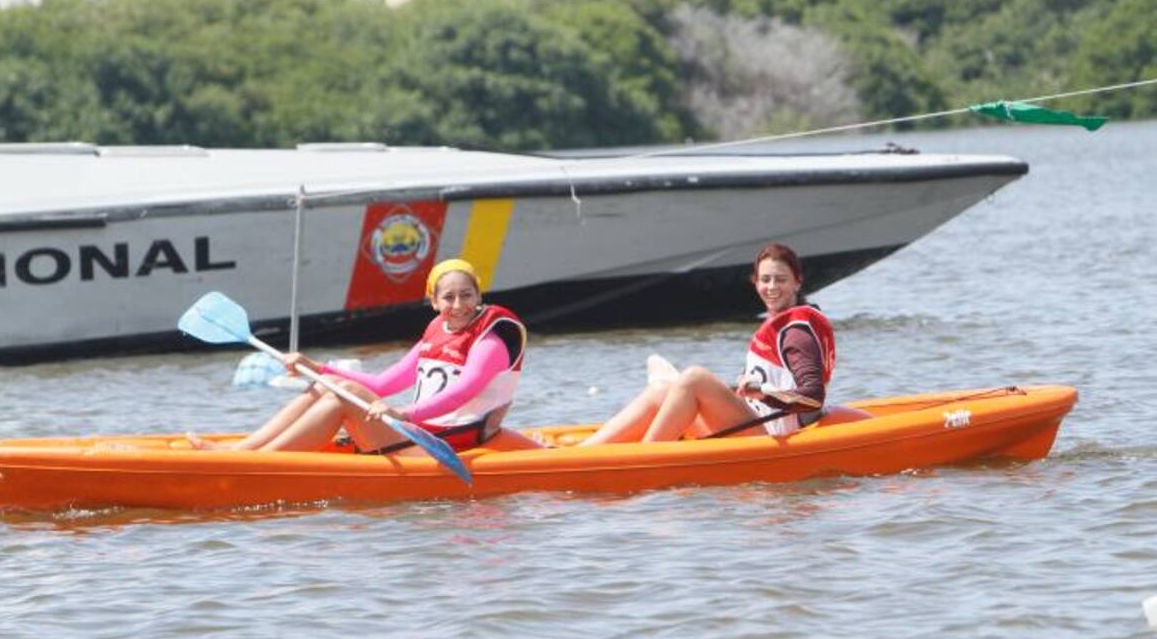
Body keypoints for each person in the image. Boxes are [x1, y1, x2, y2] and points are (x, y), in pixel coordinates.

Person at [189, 258, 542, 454]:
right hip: (422, 431)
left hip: (451, 442)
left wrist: (402, 414)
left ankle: (258, 463)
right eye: (448, 297)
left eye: (467, 295)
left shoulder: (492, 339)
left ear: (479, 296)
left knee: (345, 396)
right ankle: (243, 452)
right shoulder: (437, 331)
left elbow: (464, 391)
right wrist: (316, 368)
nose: (459, 304)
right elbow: (384, 383)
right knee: (330, 384)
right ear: (434, 302)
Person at [580, 244, 836, 445]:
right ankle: (581, 455)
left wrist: (762, 391)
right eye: (765, 279)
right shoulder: (780, 325)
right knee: (662, 390)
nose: (771, 287)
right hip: (755, 425)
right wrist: (743, 389)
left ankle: (642, 462)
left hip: (773, 440)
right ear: (755, 282)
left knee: (695, 378)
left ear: (797, 282)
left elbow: (812, 399)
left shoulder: (796, 333)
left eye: (780, 280)